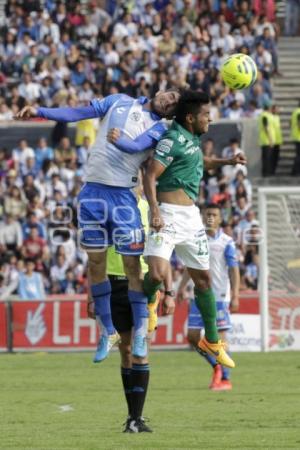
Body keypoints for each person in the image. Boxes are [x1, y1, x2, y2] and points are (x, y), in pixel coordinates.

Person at [16, 89, 180, 362]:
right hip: (91, 193)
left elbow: (135, 145)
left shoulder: (160, 130)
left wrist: (121, 140)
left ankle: (140, 330)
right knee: (95, 264)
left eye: (174, 104)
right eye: (171, 95)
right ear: (161, 90)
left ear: (172, 114)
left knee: (131, 266)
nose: (170, 101)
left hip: (122, 197)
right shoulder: (118, 101)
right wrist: (40, 111)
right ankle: (107, 331)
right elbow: (80, 112)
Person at [142, 90, 246, 368]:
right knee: (155, 273)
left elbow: (201, 162)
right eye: (205, 115)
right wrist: (153, 210)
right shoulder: (172, 139)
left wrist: (228, 162)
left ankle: (212, 340)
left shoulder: (192, 138)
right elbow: (150, 174)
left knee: (204, 281)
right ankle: (150, 301)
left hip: (191, 218)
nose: (209, 119)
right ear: (190, 117)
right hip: (166, 214)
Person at [87, 194, 175, 433]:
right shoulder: (107, 207)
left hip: (142, 285)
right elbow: (95, 255)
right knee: (125, 351)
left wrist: (169, 291)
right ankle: (131, 417)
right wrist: (91, 295)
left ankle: (137, 417)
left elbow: (162, 251)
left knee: (141, 347)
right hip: (112, 285)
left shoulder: (151, 208)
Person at [177, 203, 240, 391]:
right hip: (199, 295)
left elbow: (234, 270)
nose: (210, 217)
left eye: (214, 214)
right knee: (193, 336)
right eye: (207, 214)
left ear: (220, 219)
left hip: (220, 296)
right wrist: (181, 287)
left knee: (219, 339)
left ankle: (225, 379)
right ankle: (216, 367)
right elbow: (191, 267)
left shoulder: (227, 242)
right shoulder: (197, 240)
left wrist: (235, 295)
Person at [258, 100, 275, 177]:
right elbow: (266, 127)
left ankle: (266, 173)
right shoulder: (265, 115)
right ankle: (266, 173)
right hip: (266, 140)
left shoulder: (264, 115)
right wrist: (270, 139)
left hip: (265, 140)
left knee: (266, 158)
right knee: (267, 158)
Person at [271, 104, 282, 175]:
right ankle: (271, 171)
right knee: (272, 157)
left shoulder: (278, 117)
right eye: (276, 109)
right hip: (272, 141)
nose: (277, 110)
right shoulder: (270, 117)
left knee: (276, 157)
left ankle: (273, 171)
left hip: (277, 141)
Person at [290, 101, 300, 176]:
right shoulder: (299, 112)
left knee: (298, 155)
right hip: (299, 137)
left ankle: (294, 171)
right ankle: (295, 172)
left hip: (296, 136)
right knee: (298, 155)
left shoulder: (295, 112)